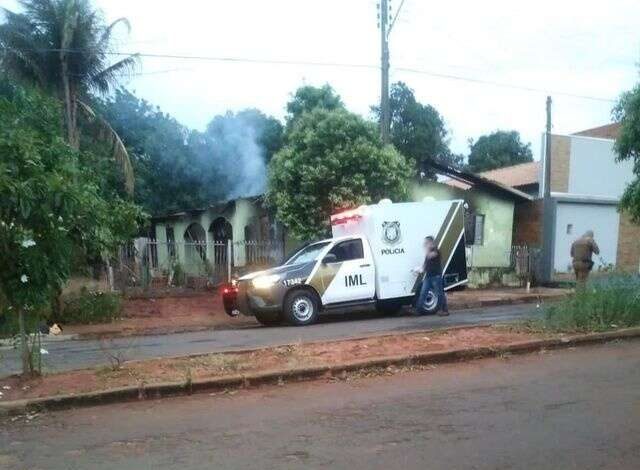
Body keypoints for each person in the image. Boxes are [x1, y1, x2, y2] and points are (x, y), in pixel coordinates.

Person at [413, 236, 449, 316]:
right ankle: (418, 310)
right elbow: (426, 265)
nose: (425, 244)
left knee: (440, 293)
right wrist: (418, 270)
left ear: (431, 243)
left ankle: (445, 310)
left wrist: (427, 248)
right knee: (423, 292)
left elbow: (430, 256)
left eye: (426, 243)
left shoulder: (436, 251)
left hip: (436, 276)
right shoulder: (428, 252)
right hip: (428, 276)